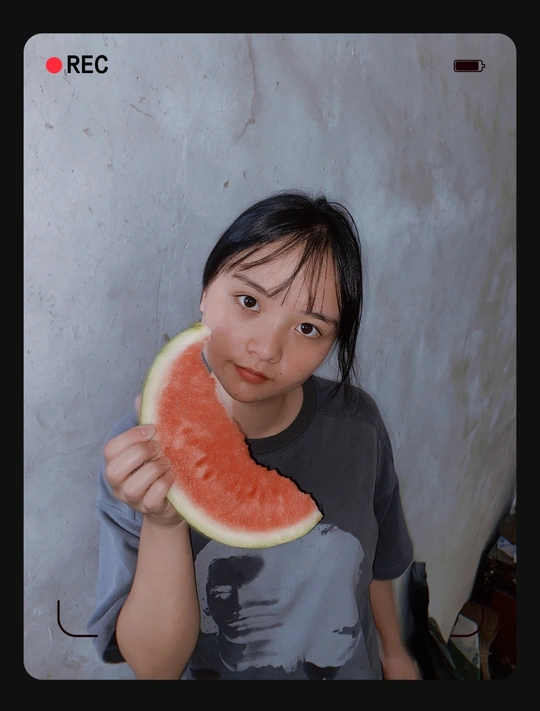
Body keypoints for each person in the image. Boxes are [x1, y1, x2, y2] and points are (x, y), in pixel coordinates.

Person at [87, 190, 419, 680]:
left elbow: (376, 564)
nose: (265, 349)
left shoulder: (360, 427)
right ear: (206, 290)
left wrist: (394, 652)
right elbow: (155, 668)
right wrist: (164, 522)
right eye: (249, 301)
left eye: (308, 328)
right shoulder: (143, 451)